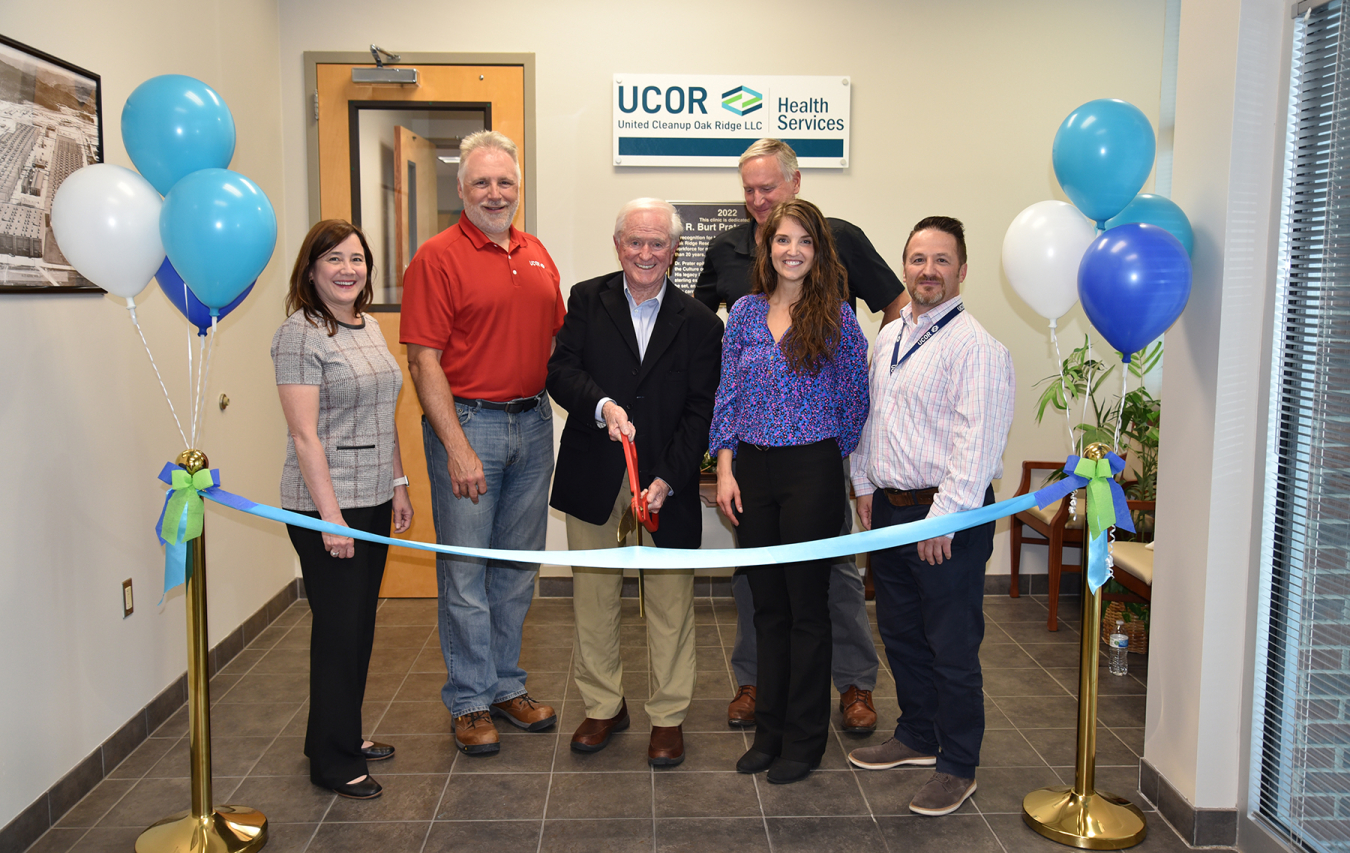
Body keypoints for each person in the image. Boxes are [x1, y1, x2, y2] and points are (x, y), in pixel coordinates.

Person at [695, 138, 903, 733]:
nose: (760, 200)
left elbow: (894, 308)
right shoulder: (726, 250)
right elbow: (703, 330)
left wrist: (838, 445)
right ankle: (758, 682)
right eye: (750, 190)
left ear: (796, 183)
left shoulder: (839, 239)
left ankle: (855, 684)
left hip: (816, 452)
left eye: (770, 188)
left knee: (830, 573)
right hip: (754, 454)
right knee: (756, 578)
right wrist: (723, 447)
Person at [401, 130, 563, 756]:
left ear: (517, 189)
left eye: (505, 183)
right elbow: (423, 361)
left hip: (534, 423)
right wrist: (457, 446)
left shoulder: (537, 252)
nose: (495, 194)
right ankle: (469, 700)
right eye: (481, 183)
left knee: (517, 571)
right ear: (461, 189)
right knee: (466, 572)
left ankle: (504, 686)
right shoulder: (437, 257)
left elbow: (552, 342)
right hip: (470, 427)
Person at [847, 216, 1015, 816]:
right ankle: (918, 734)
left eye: (941, 260)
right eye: (918, 259)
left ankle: (958, 763)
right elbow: (873, 418)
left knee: (951, 644)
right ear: (905, 267)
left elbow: (979, 444)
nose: (928, 271)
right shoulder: (888, 338)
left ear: (962, 271)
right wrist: (865, 484)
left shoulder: (979, 349)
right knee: (901, 634)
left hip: (946, 518)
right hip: (891, 509)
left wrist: (943, 519)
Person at [547, 198, 723, 768]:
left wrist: (671, 477)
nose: (645, 253)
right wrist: (601, 405)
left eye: (657, 243)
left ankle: (667, 717)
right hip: (595, 471)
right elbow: (561, 372)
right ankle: (603, 706)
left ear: (674, 250)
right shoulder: (585, 298)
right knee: (593, 596)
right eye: (634, 241)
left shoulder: (699, 321)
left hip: (664, 480)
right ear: (618, 244)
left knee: (671, 600)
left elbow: (702, 409)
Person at [710, 198, 869, 784]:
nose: (792, 251)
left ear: (818, 249)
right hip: (751, 470)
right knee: (766, 607)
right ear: (766, 248)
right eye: (782, 240)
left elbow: (856, 401)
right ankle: (769, 733)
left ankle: (804, 740)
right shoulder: (746, 314)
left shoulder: (837, 317)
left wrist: (829, 462)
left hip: (812, 471)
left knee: (809, 610)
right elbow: (728, 395)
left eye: (804, 241)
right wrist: (726, 469)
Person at [271, 219, 415, 800]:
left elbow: (384, 415)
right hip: (327, 506)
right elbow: (305, 436)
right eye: (334, 259)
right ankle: (331, 762)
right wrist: (330, 517)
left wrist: (400, 484)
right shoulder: (298, 335)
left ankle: (339, 735)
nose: (348, 269)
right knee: (337, 631)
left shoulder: (370, 326)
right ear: (310, 270)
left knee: (359, 625)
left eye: (356, 259)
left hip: (376, 495)